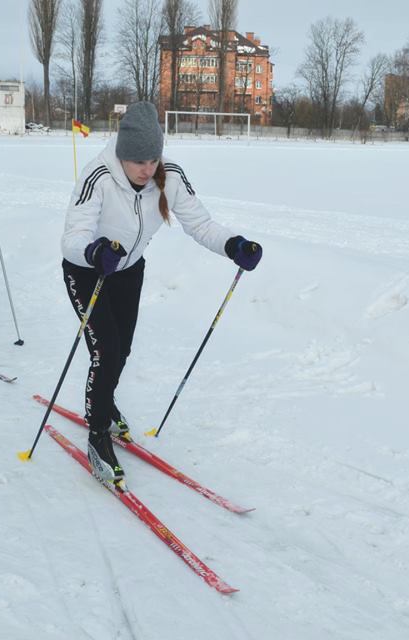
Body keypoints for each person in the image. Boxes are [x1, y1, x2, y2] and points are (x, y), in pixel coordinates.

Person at [61, 101, 263, 484]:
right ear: (122, 155)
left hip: (128, 270)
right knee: (105, 349)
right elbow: (73, 237)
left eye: (153, 158)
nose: (147, 168)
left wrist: (233, 245)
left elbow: (200, 223)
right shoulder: (98, 176)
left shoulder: (168, 176)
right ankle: (98, 430)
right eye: (139, 161)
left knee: (122, 348)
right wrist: (93, 251)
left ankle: (105, 403)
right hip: (89, 270)